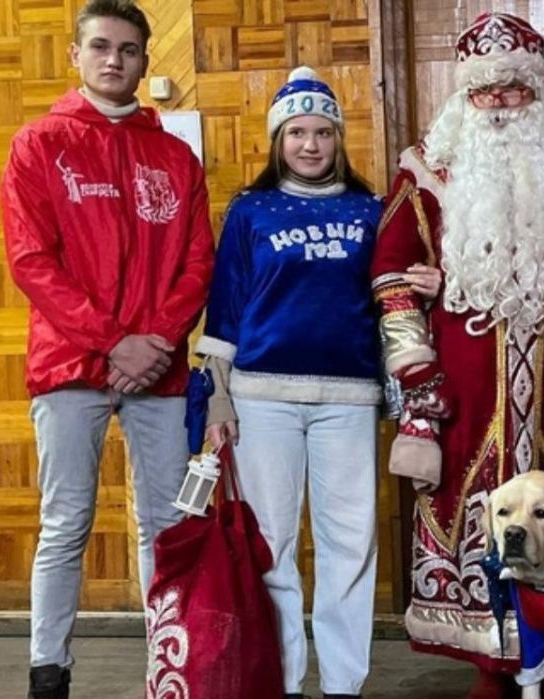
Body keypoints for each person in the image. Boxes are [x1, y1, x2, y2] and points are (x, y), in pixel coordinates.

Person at [370, 12, 544, 698]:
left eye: (515, 90)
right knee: (473, 514)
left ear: (540, 92)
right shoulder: (427, 167)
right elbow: (393, 278)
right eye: (485, 91)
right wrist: (415, 371)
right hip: (462, 396)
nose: (498, 104)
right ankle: (493, 668)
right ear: (465, 96)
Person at [0, 1, 215, 697]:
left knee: (166, 523)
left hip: (159, 368)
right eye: (100, 46)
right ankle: (47, 670)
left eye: (128, 49)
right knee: (65, 521)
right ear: (76, 55)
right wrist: (113, 339)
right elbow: (32, 260)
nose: (114, 59)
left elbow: (196, 263)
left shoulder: (176, 156)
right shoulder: (39, 144)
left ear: (146, 61)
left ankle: (169, 661)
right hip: (69, 367)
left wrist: (153, 342)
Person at [196, 65, 412, 699]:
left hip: (348, 399)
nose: (311, 145)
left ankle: (344, 684)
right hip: (263, 398)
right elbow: (226, 305)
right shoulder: (249, 210)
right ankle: (283, 681)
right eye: (298, 133)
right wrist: (218, 397)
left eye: (323, 132)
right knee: (272, 546)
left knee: (351, 545)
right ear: (278, 140)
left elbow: (390, 296)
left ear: (339, 138)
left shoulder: (370, 209)